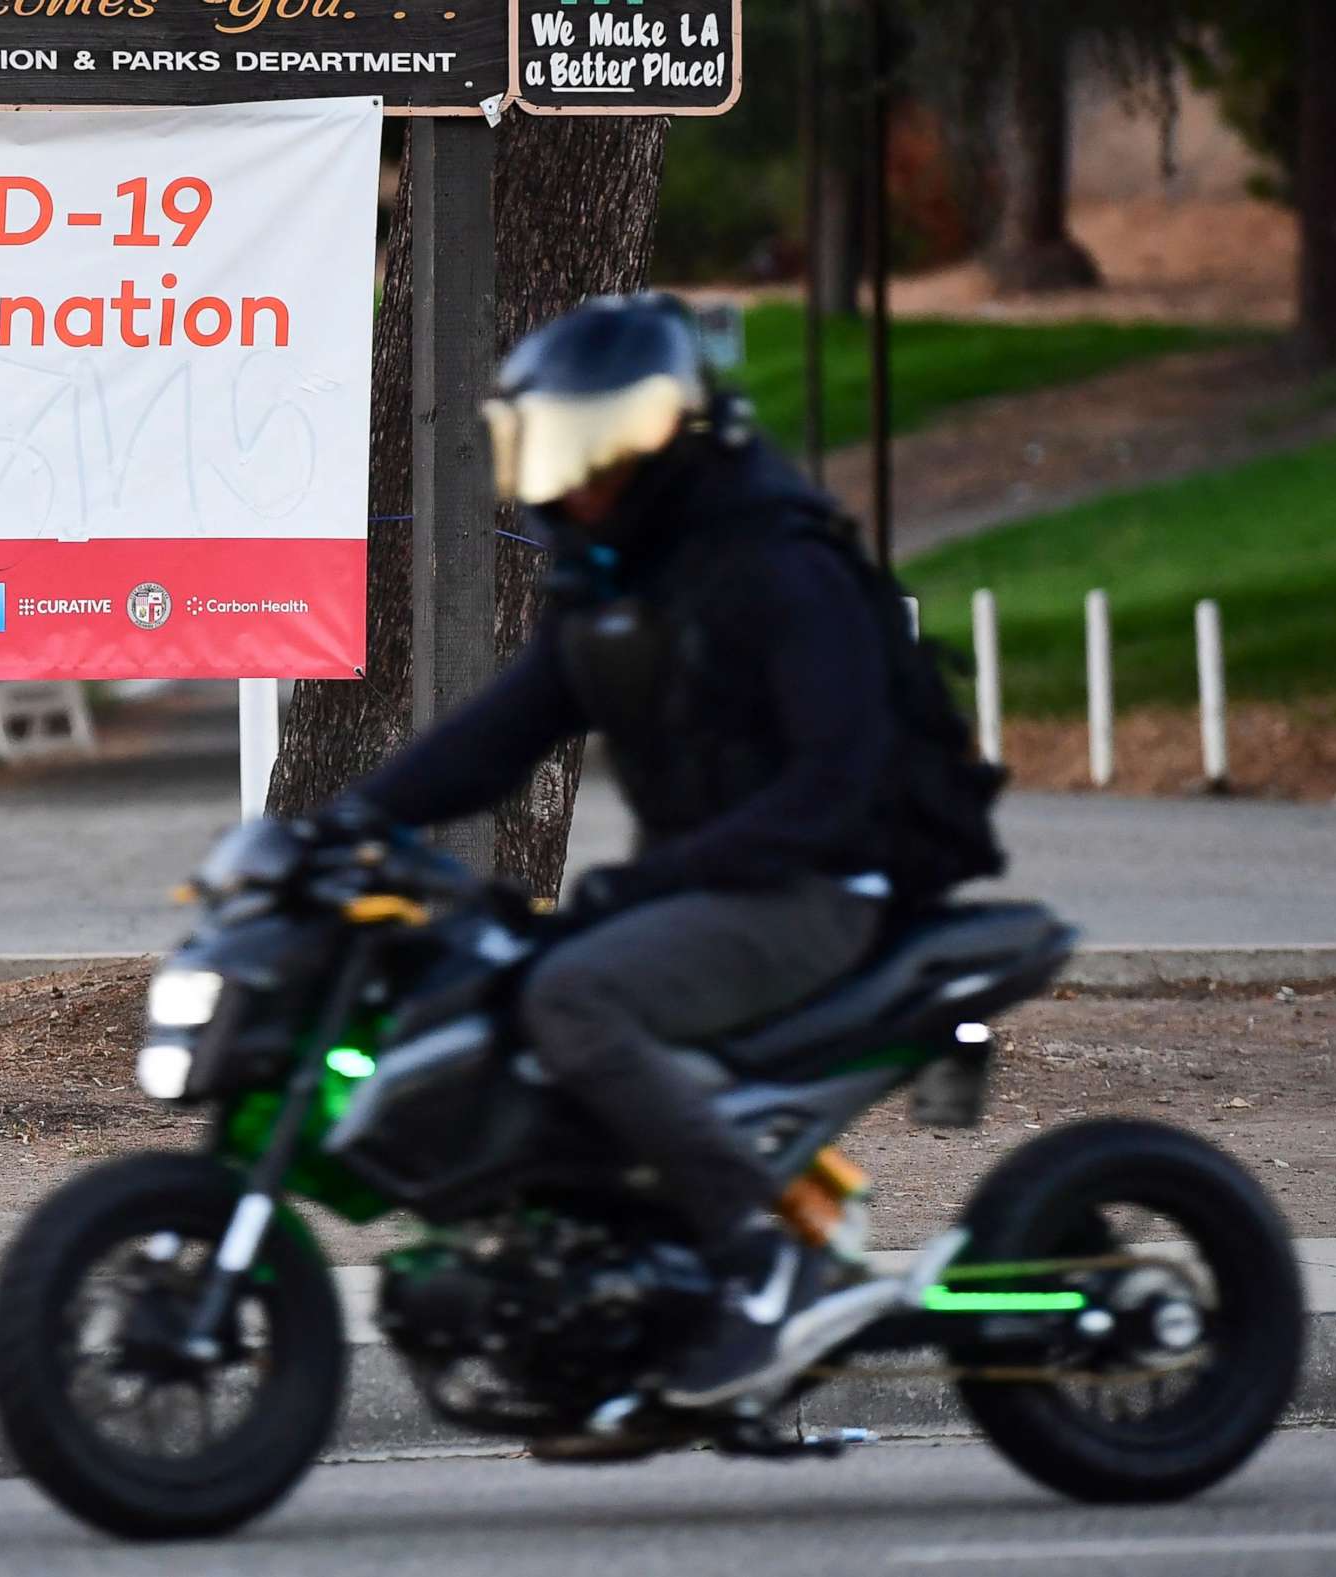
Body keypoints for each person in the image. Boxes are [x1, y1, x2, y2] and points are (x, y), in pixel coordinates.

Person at [333, 292, 908, 1409]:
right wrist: (345, 822)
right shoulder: (617, 582)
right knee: (501, 986)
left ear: (656, 439)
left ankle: (764, 1258)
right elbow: (499, 733)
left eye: (584, 450)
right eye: (550, 449)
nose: (564, 480)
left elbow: (836, 785)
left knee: (576, 994)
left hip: (814, 890)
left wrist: (663, 878)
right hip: (715, 889)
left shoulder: (774, 564)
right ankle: (621, 1263)